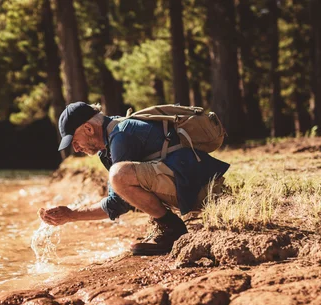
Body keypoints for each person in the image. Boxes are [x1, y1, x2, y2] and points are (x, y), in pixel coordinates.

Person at [39, 101, 230, 256]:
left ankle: (172, 230)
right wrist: (72, 214)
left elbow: (118, 202)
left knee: (119, 175)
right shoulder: (111, 139)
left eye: (75, 141)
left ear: (88, 129)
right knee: (119, 176)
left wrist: (72, 215)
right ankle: (165, 224)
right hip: (193, 182)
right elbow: (121, 198)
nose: (76, 148)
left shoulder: (121, 136)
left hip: (203, 191)